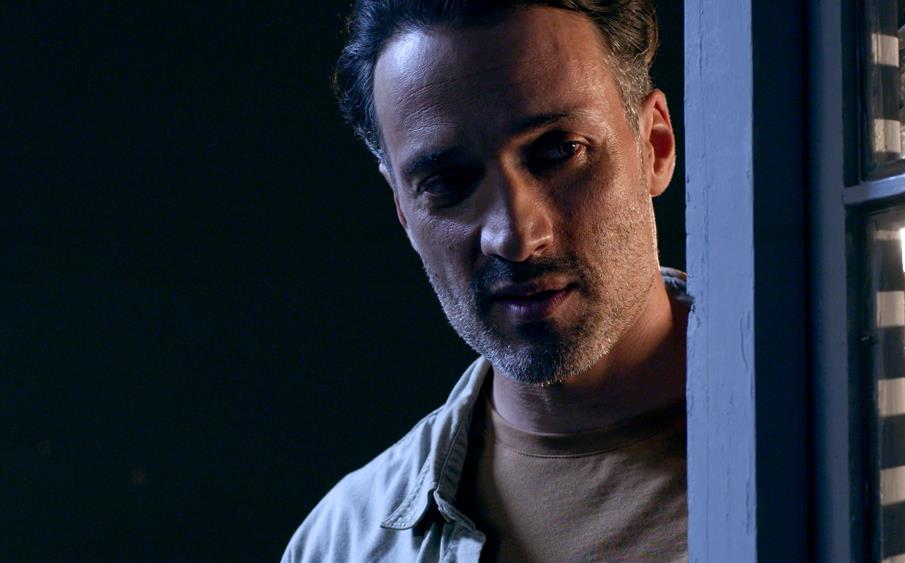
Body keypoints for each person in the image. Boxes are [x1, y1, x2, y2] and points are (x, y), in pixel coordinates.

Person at [283, 1, 689, 560]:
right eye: (447, 181)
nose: (515, 237)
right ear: (402, 209)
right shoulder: (344, 546)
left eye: (558, 151)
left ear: (654, 146)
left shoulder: (816, 441)